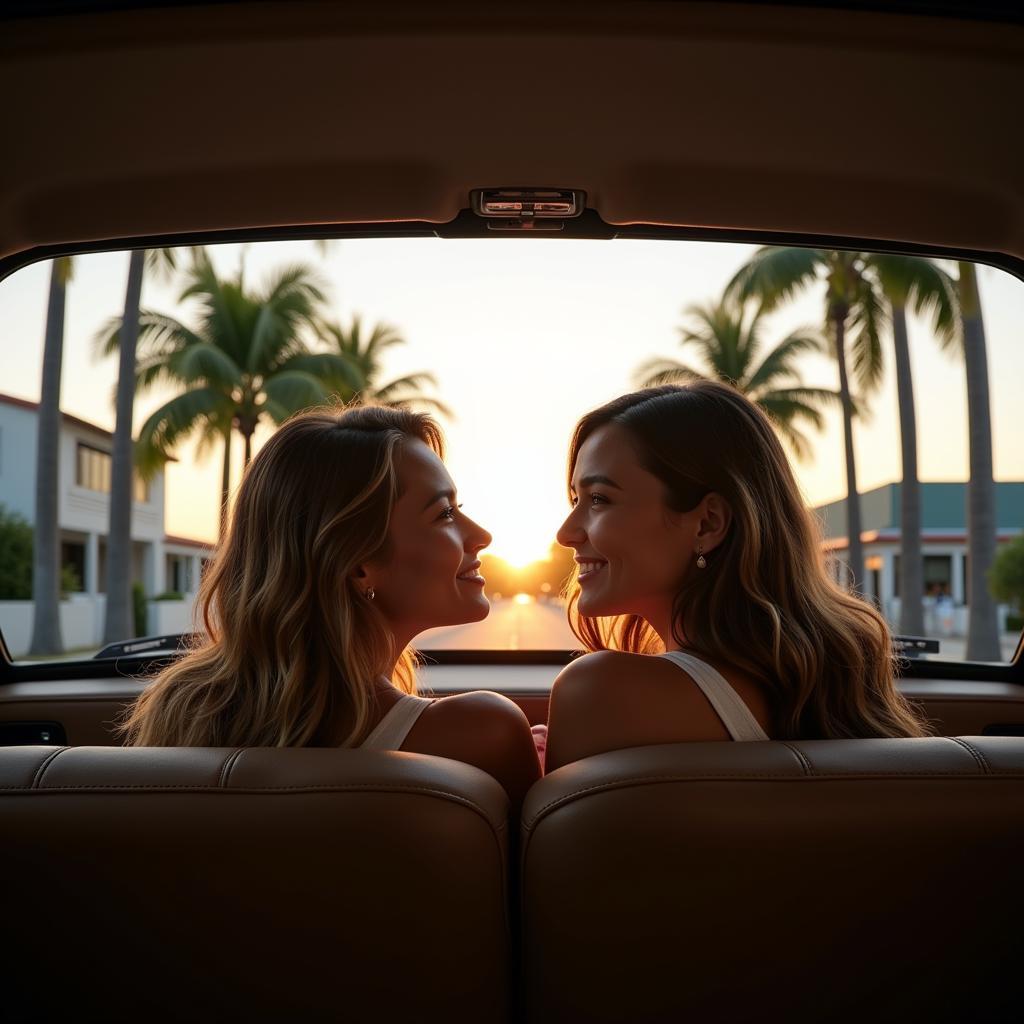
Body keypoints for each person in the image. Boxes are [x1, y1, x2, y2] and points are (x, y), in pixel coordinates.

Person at [121, 404, 540, 808]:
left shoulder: (180, 708)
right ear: (360, 565)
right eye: (444, 513)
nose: (481, 534)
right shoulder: (485, 733)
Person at [544, 382, 929, 772]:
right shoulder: (831, 682)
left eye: (599, 499)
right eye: (576, 500)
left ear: (707, 523)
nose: (566, 532)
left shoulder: (600, 693)